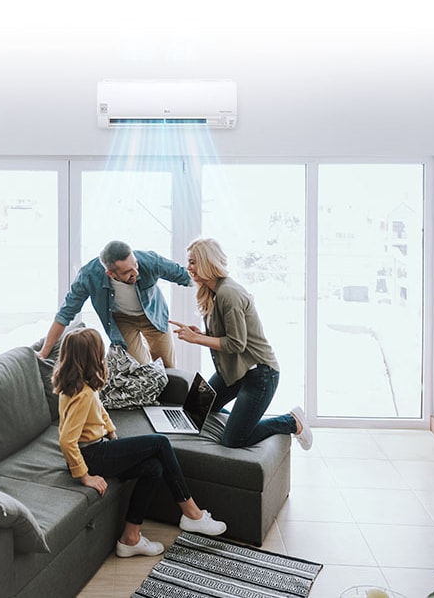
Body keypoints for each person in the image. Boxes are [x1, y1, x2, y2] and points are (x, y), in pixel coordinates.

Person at [53, 326, 227, 557]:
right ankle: (191, 513)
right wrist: (84, 475)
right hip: (92, 455)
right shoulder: (82, 393)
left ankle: (130, 539)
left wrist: (113, 434)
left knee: (153, 468)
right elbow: (66, 439)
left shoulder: (80, 386)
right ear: (91, 358)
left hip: (99, 448)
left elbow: (99, 412)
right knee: (160, 444)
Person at [170, 237, 313, 451]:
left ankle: (291, 421)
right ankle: (242, 421)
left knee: (232, 441)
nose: (188, 267)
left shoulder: (229, 293)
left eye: (193, 262)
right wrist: (200, 333)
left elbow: (236, 343)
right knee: (196, 409)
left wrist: (197, 339)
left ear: (208, 262)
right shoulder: (211, 291)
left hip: (260, 373)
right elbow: (226, 334)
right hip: (235, 369)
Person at [37, 240, 192, 367]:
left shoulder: (149, 261)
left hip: (153, 316)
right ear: (110, 273)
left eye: (135, 266)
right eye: (127, 272)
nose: (135, 273)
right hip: (122, 320)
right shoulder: (89, 276)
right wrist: (44, 353)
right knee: (140, 370)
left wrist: (213, 285)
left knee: (168, 368)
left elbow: (185, 276)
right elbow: (65, 314)